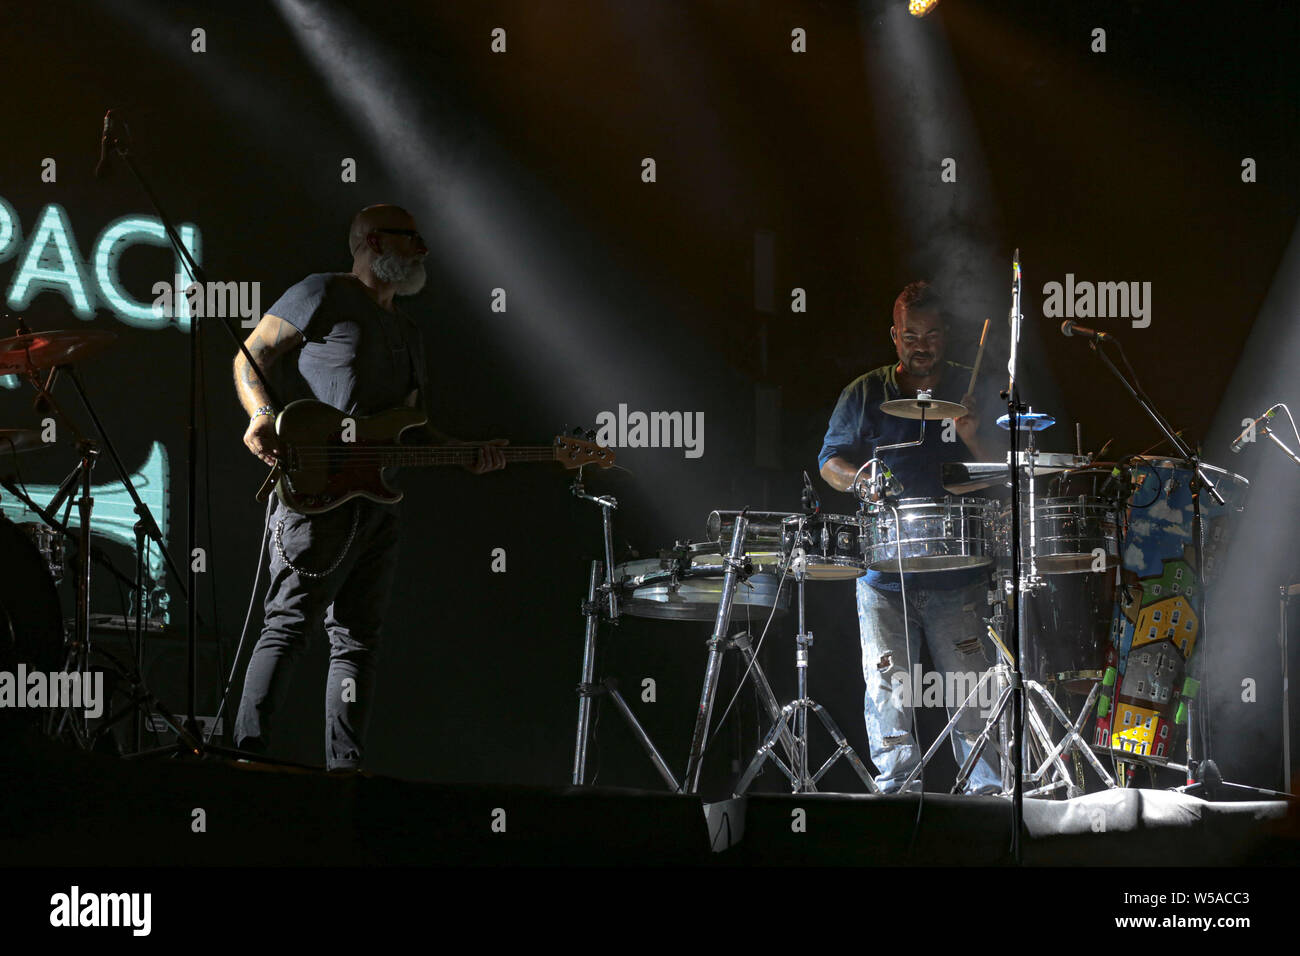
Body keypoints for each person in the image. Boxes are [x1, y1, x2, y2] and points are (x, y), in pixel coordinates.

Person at [230, 203, 506, 771]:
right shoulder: (321, 292)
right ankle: (245, 762)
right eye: (413, 240)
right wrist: (260, 414)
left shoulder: (408, 331)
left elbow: (416, 429)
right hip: (317, 489)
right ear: (373, 240)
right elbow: (250, 353)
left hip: (378, 501)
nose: (424, 251)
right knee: (288, 624)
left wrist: (467, 456)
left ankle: (346, 771)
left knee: (357, 640)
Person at [818, 280, 1002, 794]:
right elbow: (829, 461)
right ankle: (898, 795)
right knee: (887, 692)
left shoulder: (971, 389)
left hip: (959, 570)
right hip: (883, 571)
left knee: (972, 692)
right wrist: (860, 479)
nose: (922, 346)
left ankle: (986, 796)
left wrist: (973, 436)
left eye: (933, 335)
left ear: (947, 335)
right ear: (894, 336)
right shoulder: (865, 392)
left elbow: (1006, 472)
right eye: (911, 336)